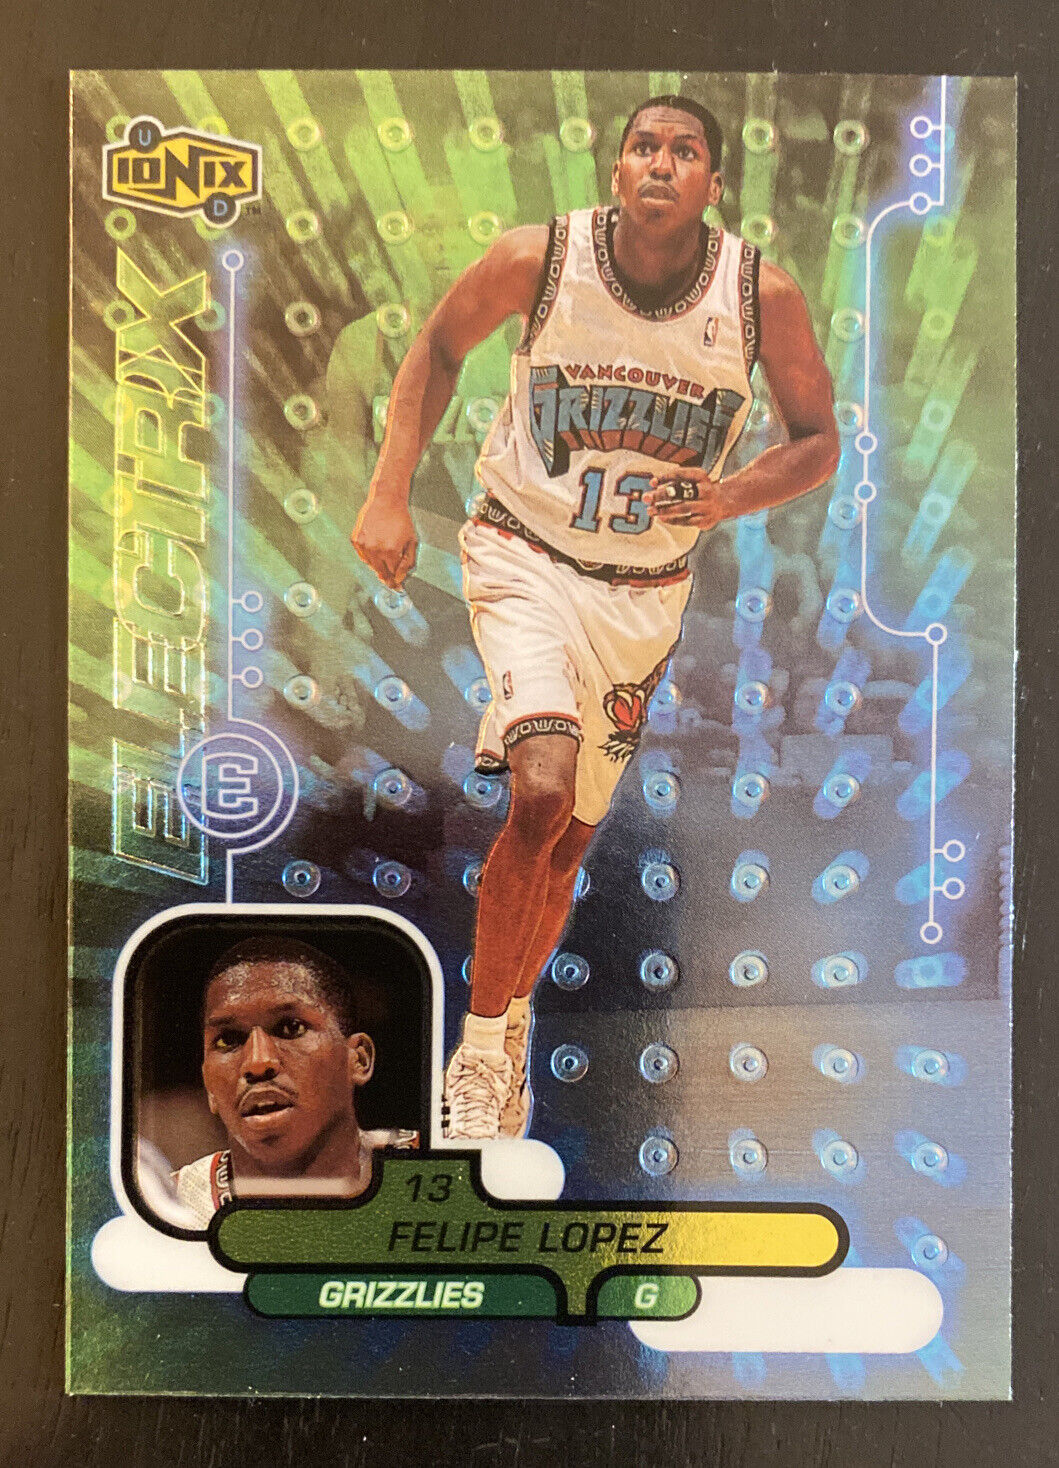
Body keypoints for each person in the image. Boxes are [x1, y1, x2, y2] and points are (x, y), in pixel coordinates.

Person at [351, 95, 840, 1140]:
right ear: (616, 170)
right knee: (538, 790)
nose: (660, 163)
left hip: (641, 595)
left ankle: (511, 1020)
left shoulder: (761, 294)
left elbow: (817, 440)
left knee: (569, 839)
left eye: (684, 151)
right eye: (643, 147)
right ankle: (480, 1054)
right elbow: (438, 348)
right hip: (523, 553)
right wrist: (388, 494)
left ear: (714, 183)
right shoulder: (537, 259)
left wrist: (729, 495)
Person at [172, 937, 417, 1226]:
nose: (258, 1063)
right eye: (229, 1039)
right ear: (209, 1086)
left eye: (290, 1028)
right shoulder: (168, 1208)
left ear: (358, 1059)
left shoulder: (438, 1168)